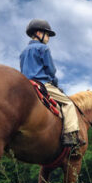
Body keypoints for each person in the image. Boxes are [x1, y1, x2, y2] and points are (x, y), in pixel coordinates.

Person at [20, 19, 84, 147]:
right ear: (39, 33)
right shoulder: (43, 48)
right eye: (47, 34)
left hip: (27, 84)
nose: (48, 38)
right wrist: (55, 83)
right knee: (68, 103)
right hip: (43, 84)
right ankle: (70, 135)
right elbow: (50, 70)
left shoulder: (23, 52)